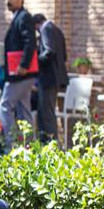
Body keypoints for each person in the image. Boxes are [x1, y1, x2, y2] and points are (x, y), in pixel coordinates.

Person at [0, 0, 37, 151]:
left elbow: (30, 42)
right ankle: (28, 147)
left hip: (20, 73)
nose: (8, 1)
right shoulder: (18, 17)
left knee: (5, 106)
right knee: (24, 110)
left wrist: (23, 64)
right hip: (20, 74)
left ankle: (11, 145)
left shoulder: (24, 17)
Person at [33, 14, 68, 143]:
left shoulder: (45, 29)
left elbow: (49, 51)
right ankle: (50, 142)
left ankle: (50, 143)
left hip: (48, 78)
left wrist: (35, 62)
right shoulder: (57, 30)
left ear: (37, 24)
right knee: (48, 111)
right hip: (57, 77)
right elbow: (64, 56)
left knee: (46, 113)